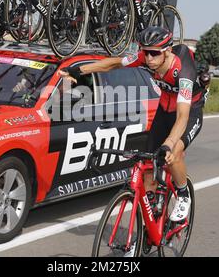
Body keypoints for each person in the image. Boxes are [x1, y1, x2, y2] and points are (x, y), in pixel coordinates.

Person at [58, 26, 209, 221]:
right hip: (164, 109)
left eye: (154, 54)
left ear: (168, 51)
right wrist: (77, 70)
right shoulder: (145, 57)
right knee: (147, 166)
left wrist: (169, 144)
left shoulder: (184, 73)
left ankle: (182, 195)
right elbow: (112, 64)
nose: (149, 59)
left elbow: (182, 118)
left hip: (189, 112)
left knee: (174, 153)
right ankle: (148, 226)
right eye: (145, 53)